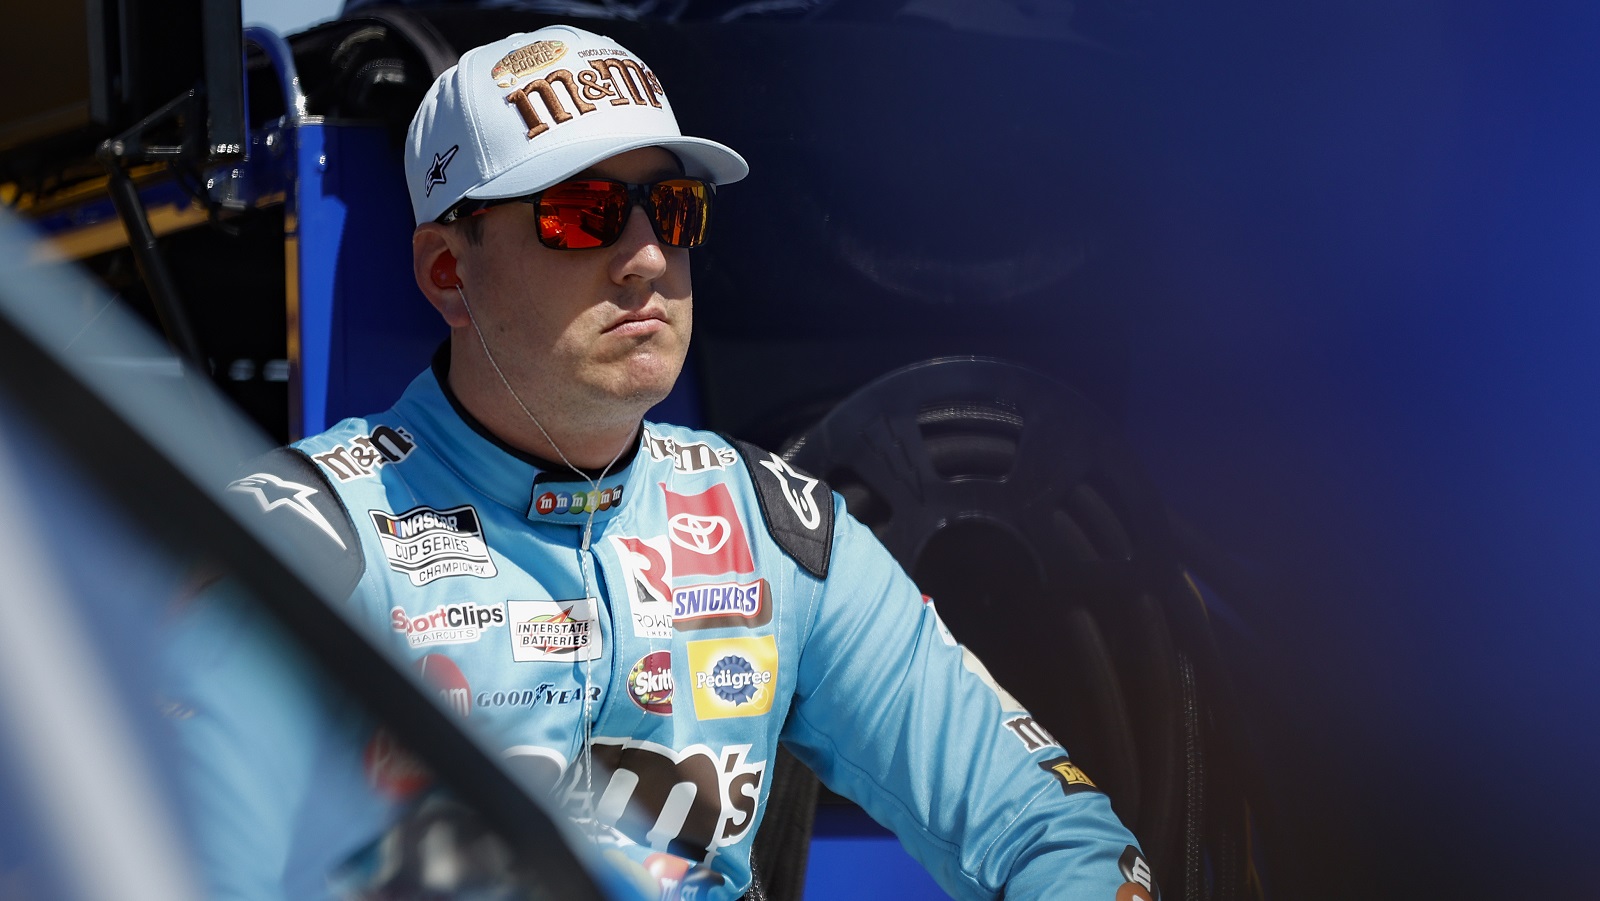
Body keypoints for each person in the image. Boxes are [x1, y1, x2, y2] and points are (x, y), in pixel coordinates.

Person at [182, 23, 1155, 901]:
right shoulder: (309, 541)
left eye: (673, 209)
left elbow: (1046, 830)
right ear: (448, 272)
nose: (647, 256)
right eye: (585, 212)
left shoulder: (778, 530)